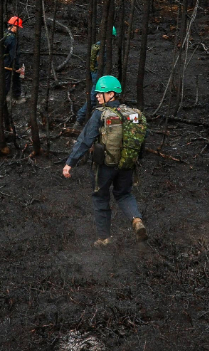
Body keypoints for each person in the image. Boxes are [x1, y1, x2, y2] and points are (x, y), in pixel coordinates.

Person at [62, 74, 147, 247]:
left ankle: (104, 238)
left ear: (111, 94)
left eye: (101, 93)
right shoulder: (133, 114)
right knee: (124, 194)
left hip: (105, 166)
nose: (97, 96)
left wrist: (70, 163)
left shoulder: (100, 114)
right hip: (126, 164)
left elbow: (85, 140)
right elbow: (141, 138)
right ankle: (136, 220)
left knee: (100, 197)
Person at [76, 27, 116, 126]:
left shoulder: (98, 45)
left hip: (95, 73)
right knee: (94, 97)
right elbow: (100, 63)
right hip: (98, 75)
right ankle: (80, 117)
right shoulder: (102, 48)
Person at [1, 16, 23, 102]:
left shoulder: (5, 33)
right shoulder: (12, 38)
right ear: (14, 26)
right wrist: (17, 67)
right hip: (8, 62)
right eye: (18, 27)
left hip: (4, 60)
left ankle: (16, 96)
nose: (18, 29)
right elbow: (13, 54)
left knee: (16, 78)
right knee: (6, 84)